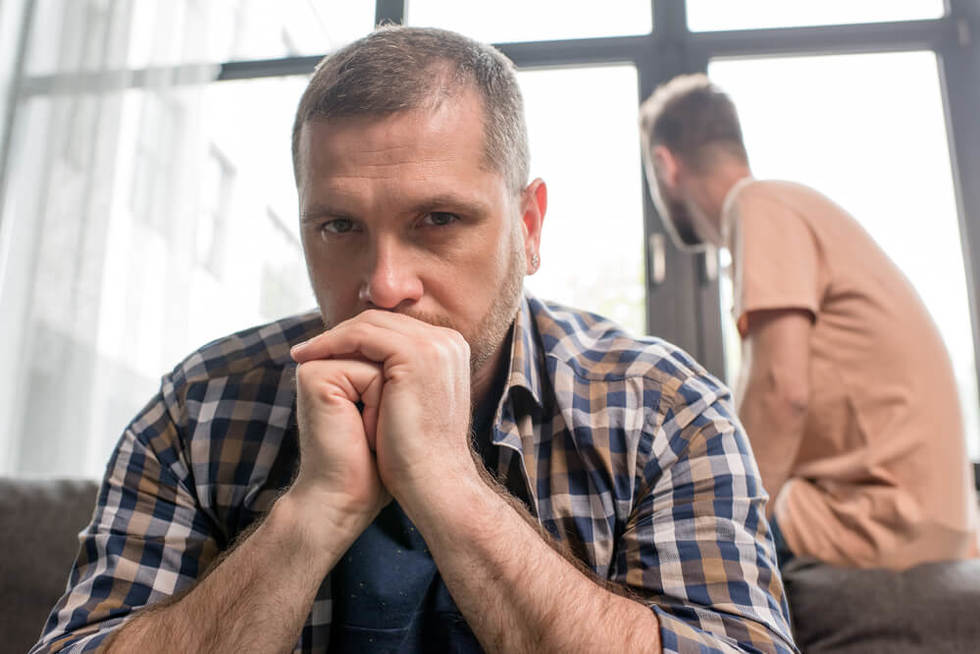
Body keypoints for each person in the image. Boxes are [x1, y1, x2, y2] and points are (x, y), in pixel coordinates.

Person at [32, 29, 796, 654]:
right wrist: (310, 514)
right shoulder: (198, 408)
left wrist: (450, 485)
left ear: (529, 228)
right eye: (339, 226)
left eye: (439, 220)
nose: (385, 284)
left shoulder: (665, 410)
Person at [638, 73, 978, 570]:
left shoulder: (757, 204)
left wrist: (725, 530)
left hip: (882, 519)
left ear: (666, 165)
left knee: (665, 545)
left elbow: (781, 392)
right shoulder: (792, 209)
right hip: (931, 517)